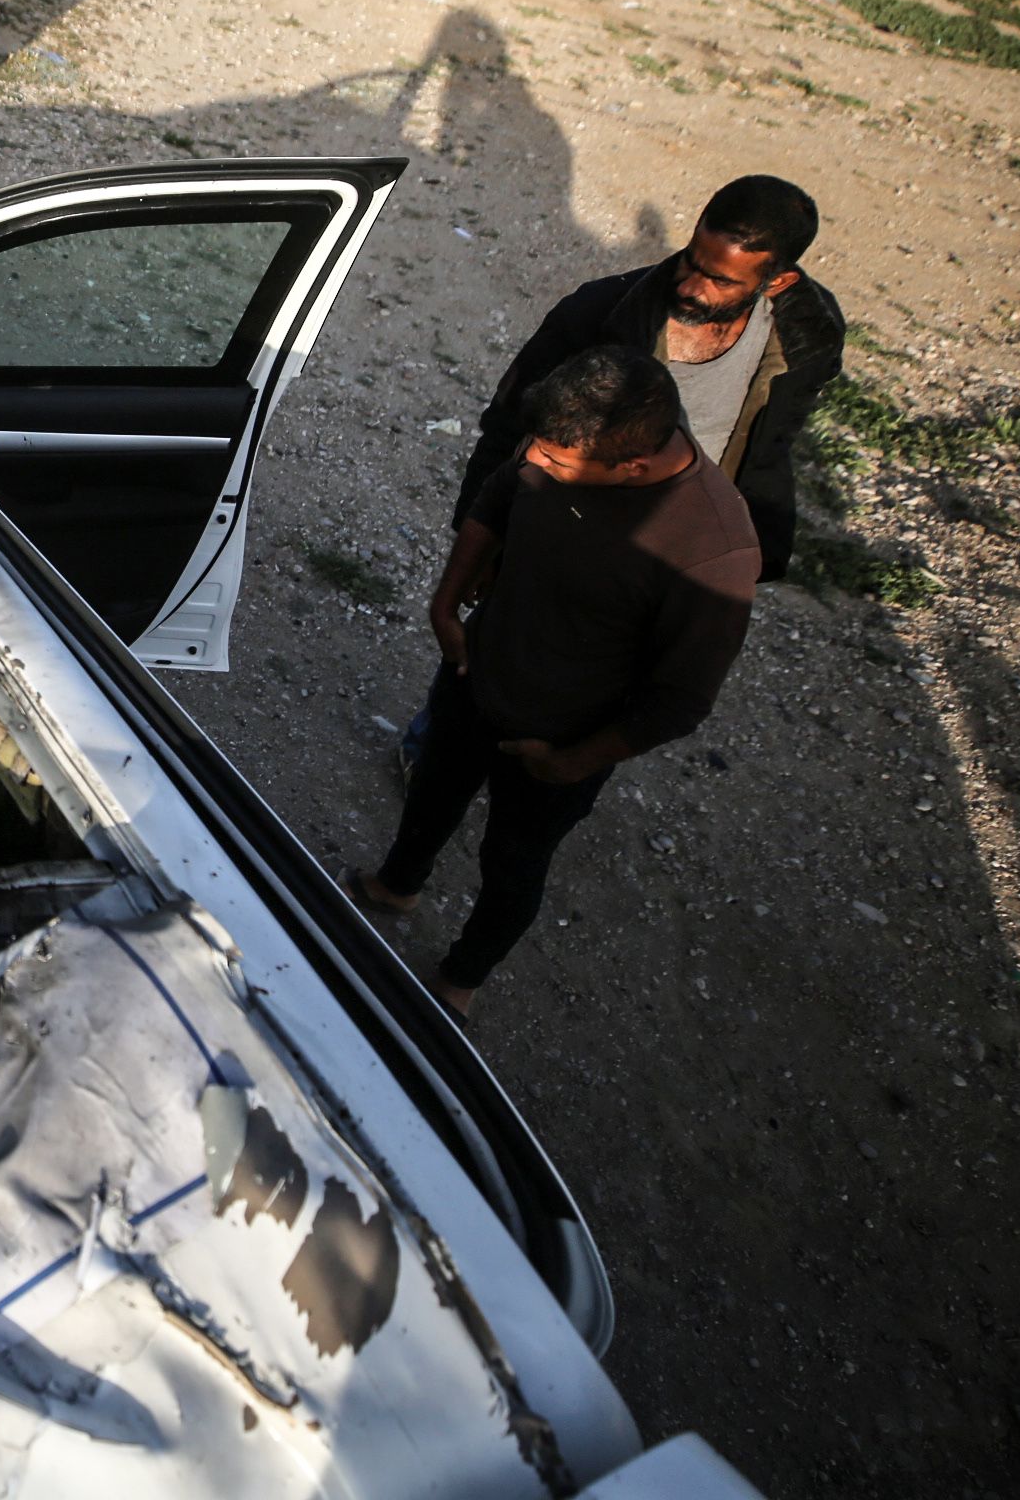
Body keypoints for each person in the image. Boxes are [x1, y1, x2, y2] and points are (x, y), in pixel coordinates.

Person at [350, 347, 760, 1017]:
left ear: (633, 468)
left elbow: (681, 699)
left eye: (556, 465)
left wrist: (571, 762)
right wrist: (445, 607)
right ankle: (397, 885)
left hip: (557, 739)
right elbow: (497, 495)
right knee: (431, 793)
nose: (533, 461)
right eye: (535, 448)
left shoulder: (713, 548)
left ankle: (461, 980)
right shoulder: (561, 440)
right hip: (473, 676)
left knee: (513, 862)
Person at [400, 175, 842, 772]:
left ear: (778, 280)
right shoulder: (599, 314)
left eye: (720, 280)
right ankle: (437, 749)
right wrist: (480, 539)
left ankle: (553, 770)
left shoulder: (805, 339)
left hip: (659, 546)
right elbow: (508, 428)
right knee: (490, 653)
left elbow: (770, 442)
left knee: (606, 666)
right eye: (691, 260)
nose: (690, 285)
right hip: (558, 519)